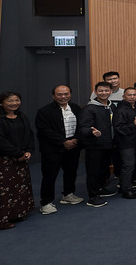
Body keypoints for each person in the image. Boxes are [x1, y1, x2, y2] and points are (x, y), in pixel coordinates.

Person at [0, 92, 35, 230]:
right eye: (10, 101)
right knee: (6, 191)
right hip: (4, 161)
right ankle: (2, 220)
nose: (14, 103)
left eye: (17, 100)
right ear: (1, 103)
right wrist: (18, 153)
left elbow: (29, 135)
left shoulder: (22, 117)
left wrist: (28, 151)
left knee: (20, 188)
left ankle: (18, 213)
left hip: (22, 159)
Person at [35, 85, 83, 214]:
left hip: (73, 146)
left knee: (71, 172)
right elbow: (44, 130)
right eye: (59, 94)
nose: (63, 97)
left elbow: (82, 125)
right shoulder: (44, 111)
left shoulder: (76, 108)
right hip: (52, 149)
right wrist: (63, 142)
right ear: (53, 96)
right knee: (50, 175)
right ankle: (46, 202)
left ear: (70, 94)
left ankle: (68, 194)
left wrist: (75, 140)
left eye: (66, 94)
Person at [78, 82, 117, 207]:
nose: (104, 93)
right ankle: (92, 197)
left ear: (110, 92)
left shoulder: (112, 106)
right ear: (95, 92)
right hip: (94, 146)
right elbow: (83, 128)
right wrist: (91, 132)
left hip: (108, 145)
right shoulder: (90, 108)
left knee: (103, 170)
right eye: (101, 91)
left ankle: (101, 189)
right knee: (93, 171)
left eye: (106, 90)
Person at [111, 87, 136, 200]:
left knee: (133, 164)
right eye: (129, 95)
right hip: (125, 143)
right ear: (123, 97)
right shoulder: (120, 110)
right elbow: (119, 128)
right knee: (128, 165)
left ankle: (125, 185)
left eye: (134, 95)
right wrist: (133, 125)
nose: (132, 97)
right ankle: (126, 190)